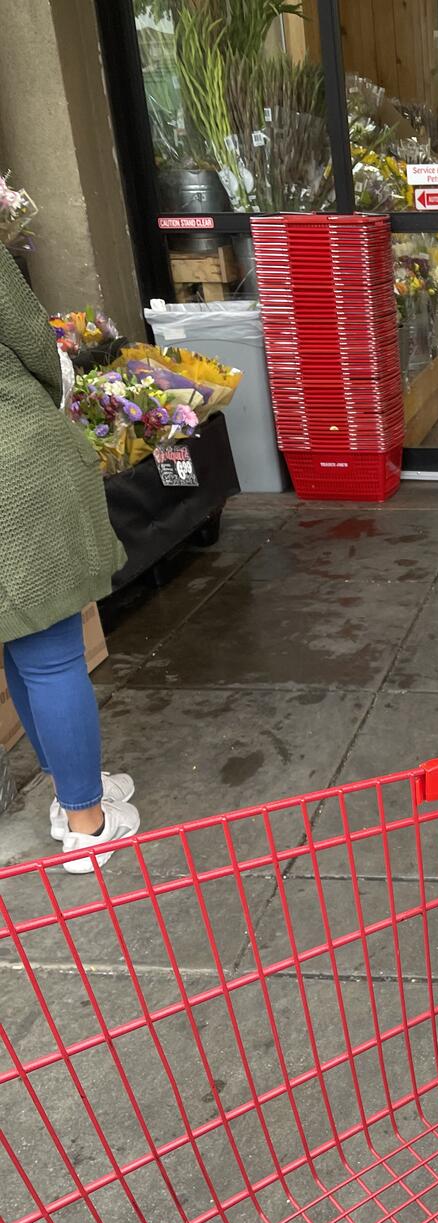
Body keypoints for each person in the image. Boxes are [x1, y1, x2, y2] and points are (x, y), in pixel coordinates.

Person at [0, 247, 138, 871]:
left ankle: (67, 791)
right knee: (52, 652)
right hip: (12, 464)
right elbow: (32, 340)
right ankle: (87, 822)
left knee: (18, 644)